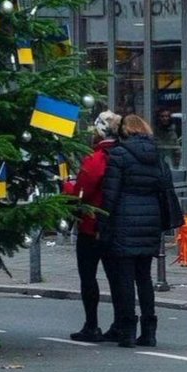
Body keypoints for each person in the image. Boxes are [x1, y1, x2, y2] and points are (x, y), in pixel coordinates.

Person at [99, 113, 167, 349]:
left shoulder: (119, 154)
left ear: (124, 131)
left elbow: (110, 193)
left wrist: (103, 223)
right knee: (145, 278)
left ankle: (127, 330)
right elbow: (163, 187)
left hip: (124, 220)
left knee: (125, 278)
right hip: (150, 219)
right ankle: (149, 331)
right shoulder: (156, 155)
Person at [63, 110, 120, 343]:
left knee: (89, 276)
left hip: (92, 224)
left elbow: (82, 192)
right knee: (117, 278)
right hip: (117, 224)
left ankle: (92, 324)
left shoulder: (97, 158)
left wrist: (67, 188)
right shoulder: (123, 154)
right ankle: (121, 323)